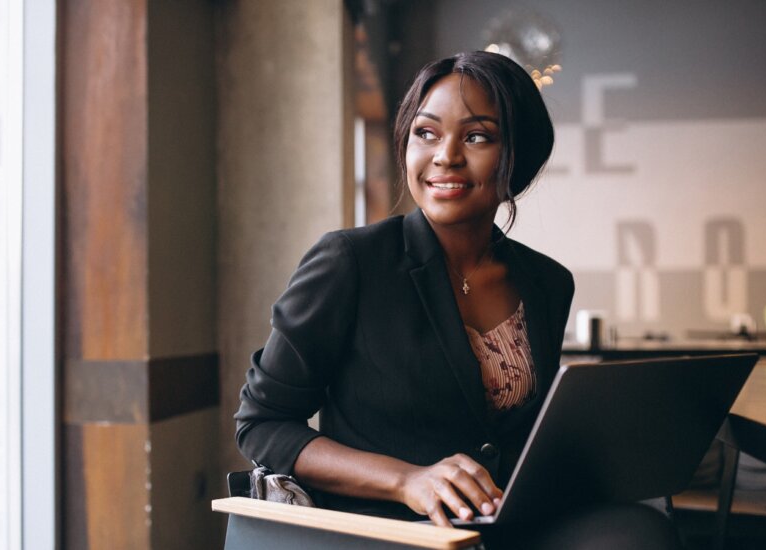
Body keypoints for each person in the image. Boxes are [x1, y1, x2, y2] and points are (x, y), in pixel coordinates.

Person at [235, 51, 680, 549]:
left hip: (503, 520)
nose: (445, 155)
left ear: (517, 156)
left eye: (476, 136)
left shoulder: (547, 282)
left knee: (642, 533)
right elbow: (263, 423)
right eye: (426, 133)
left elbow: (526, 435)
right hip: (385, 527)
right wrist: (407, 480)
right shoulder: (350, 262)